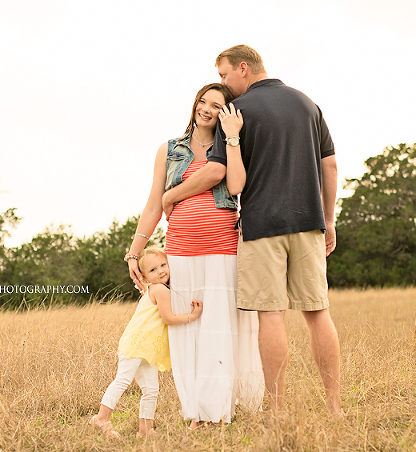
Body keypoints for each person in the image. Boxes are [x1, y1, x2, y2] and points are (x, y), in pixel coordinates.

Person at [164, 45, 342, 415]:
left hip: (262, 227)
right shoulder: (308, 104)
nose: (225, 84)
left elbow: (222, 176)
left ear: (243, 68)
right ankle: (334, 405)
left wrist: (171, 195)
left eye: (225, 75)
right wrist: (328, 220)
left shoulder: (236, 113)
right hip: (309, 223)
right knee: (318, 313)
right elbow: (331, 167)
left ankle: (276, 410)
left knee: (271, 316)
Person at [126, 83, 264, 427]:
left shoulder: (232, 146)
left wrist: (232, 140)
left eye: (216, 105)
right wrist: (134, 251)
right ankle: (197, 411)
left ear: (226, 113)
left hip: (223, 248)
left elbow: (236, 185)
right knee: (188, 330)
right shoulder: (169, 150)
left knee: (220, 328)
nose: (206, 109)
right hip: (181, 250)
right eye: (203, 101)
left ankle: (220, 407)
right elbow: (153, 202)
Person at [91, 247, 203, 439]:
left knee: (151, 390)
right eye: (153, 270)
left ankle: (145, 430)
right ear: (143, 276)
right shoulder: (158, 289)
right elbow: (168, 318)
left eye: (163, 265)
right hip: (137, 344)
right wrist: (191, 316)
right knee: (123, 380)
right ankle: (101, 418)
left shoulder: (155, 288)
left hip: (147, 349)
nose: (160, 271)